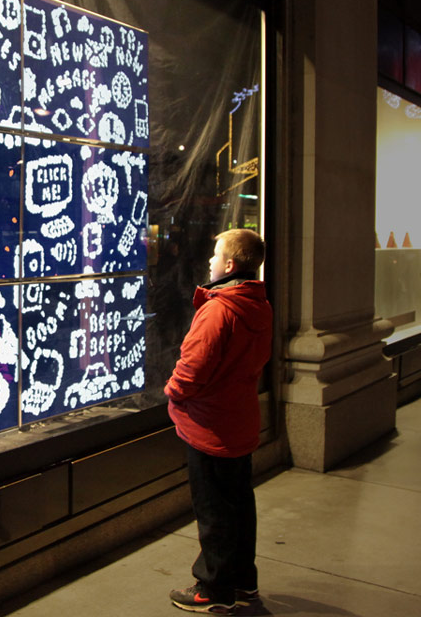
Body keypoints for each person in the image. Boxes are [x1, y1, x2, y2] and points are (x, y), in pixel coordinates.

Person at [166, 229, 272, 614]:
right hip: (238, 421)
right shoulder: (257, 305)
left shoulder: (219, 309)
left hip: (210, 427)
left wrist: (173, 391)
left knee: (213, 511)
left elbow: (194, 366)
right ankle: (243, 582)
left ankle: (213, 589)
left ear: (229, 265)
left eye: (215, 254)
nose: (209, 261)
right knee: (239, 504)